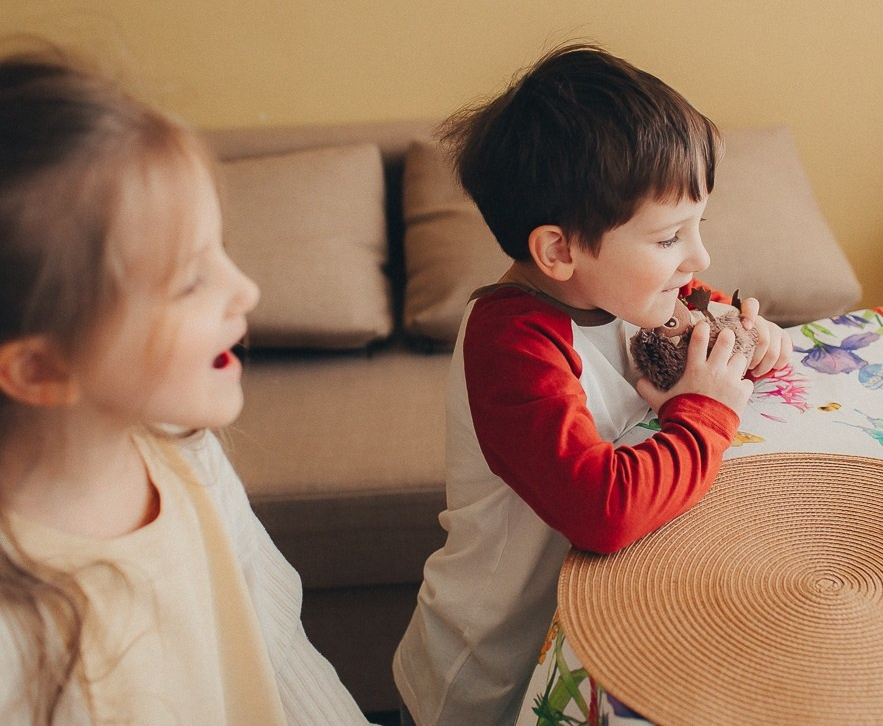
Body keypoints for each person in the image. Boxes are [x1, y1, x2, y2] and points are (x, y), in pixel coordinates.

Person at [394, 44, 792, 725]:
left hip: (588, 632)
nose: (697, 257)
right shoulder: (511, 343)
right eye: (669, 238)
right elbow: (603, 508)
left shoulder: (634, 293)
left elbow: (702, 310)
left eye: (699, 226)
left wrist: (746, 340)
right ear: (559, 250)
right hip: (487, 677)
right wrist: (703, 412)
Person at [0, 48, 369, 724]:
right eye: (192, 279)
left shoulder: (186, 451)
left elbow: (276, 646)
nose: (247, 290)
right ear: (41, 369)